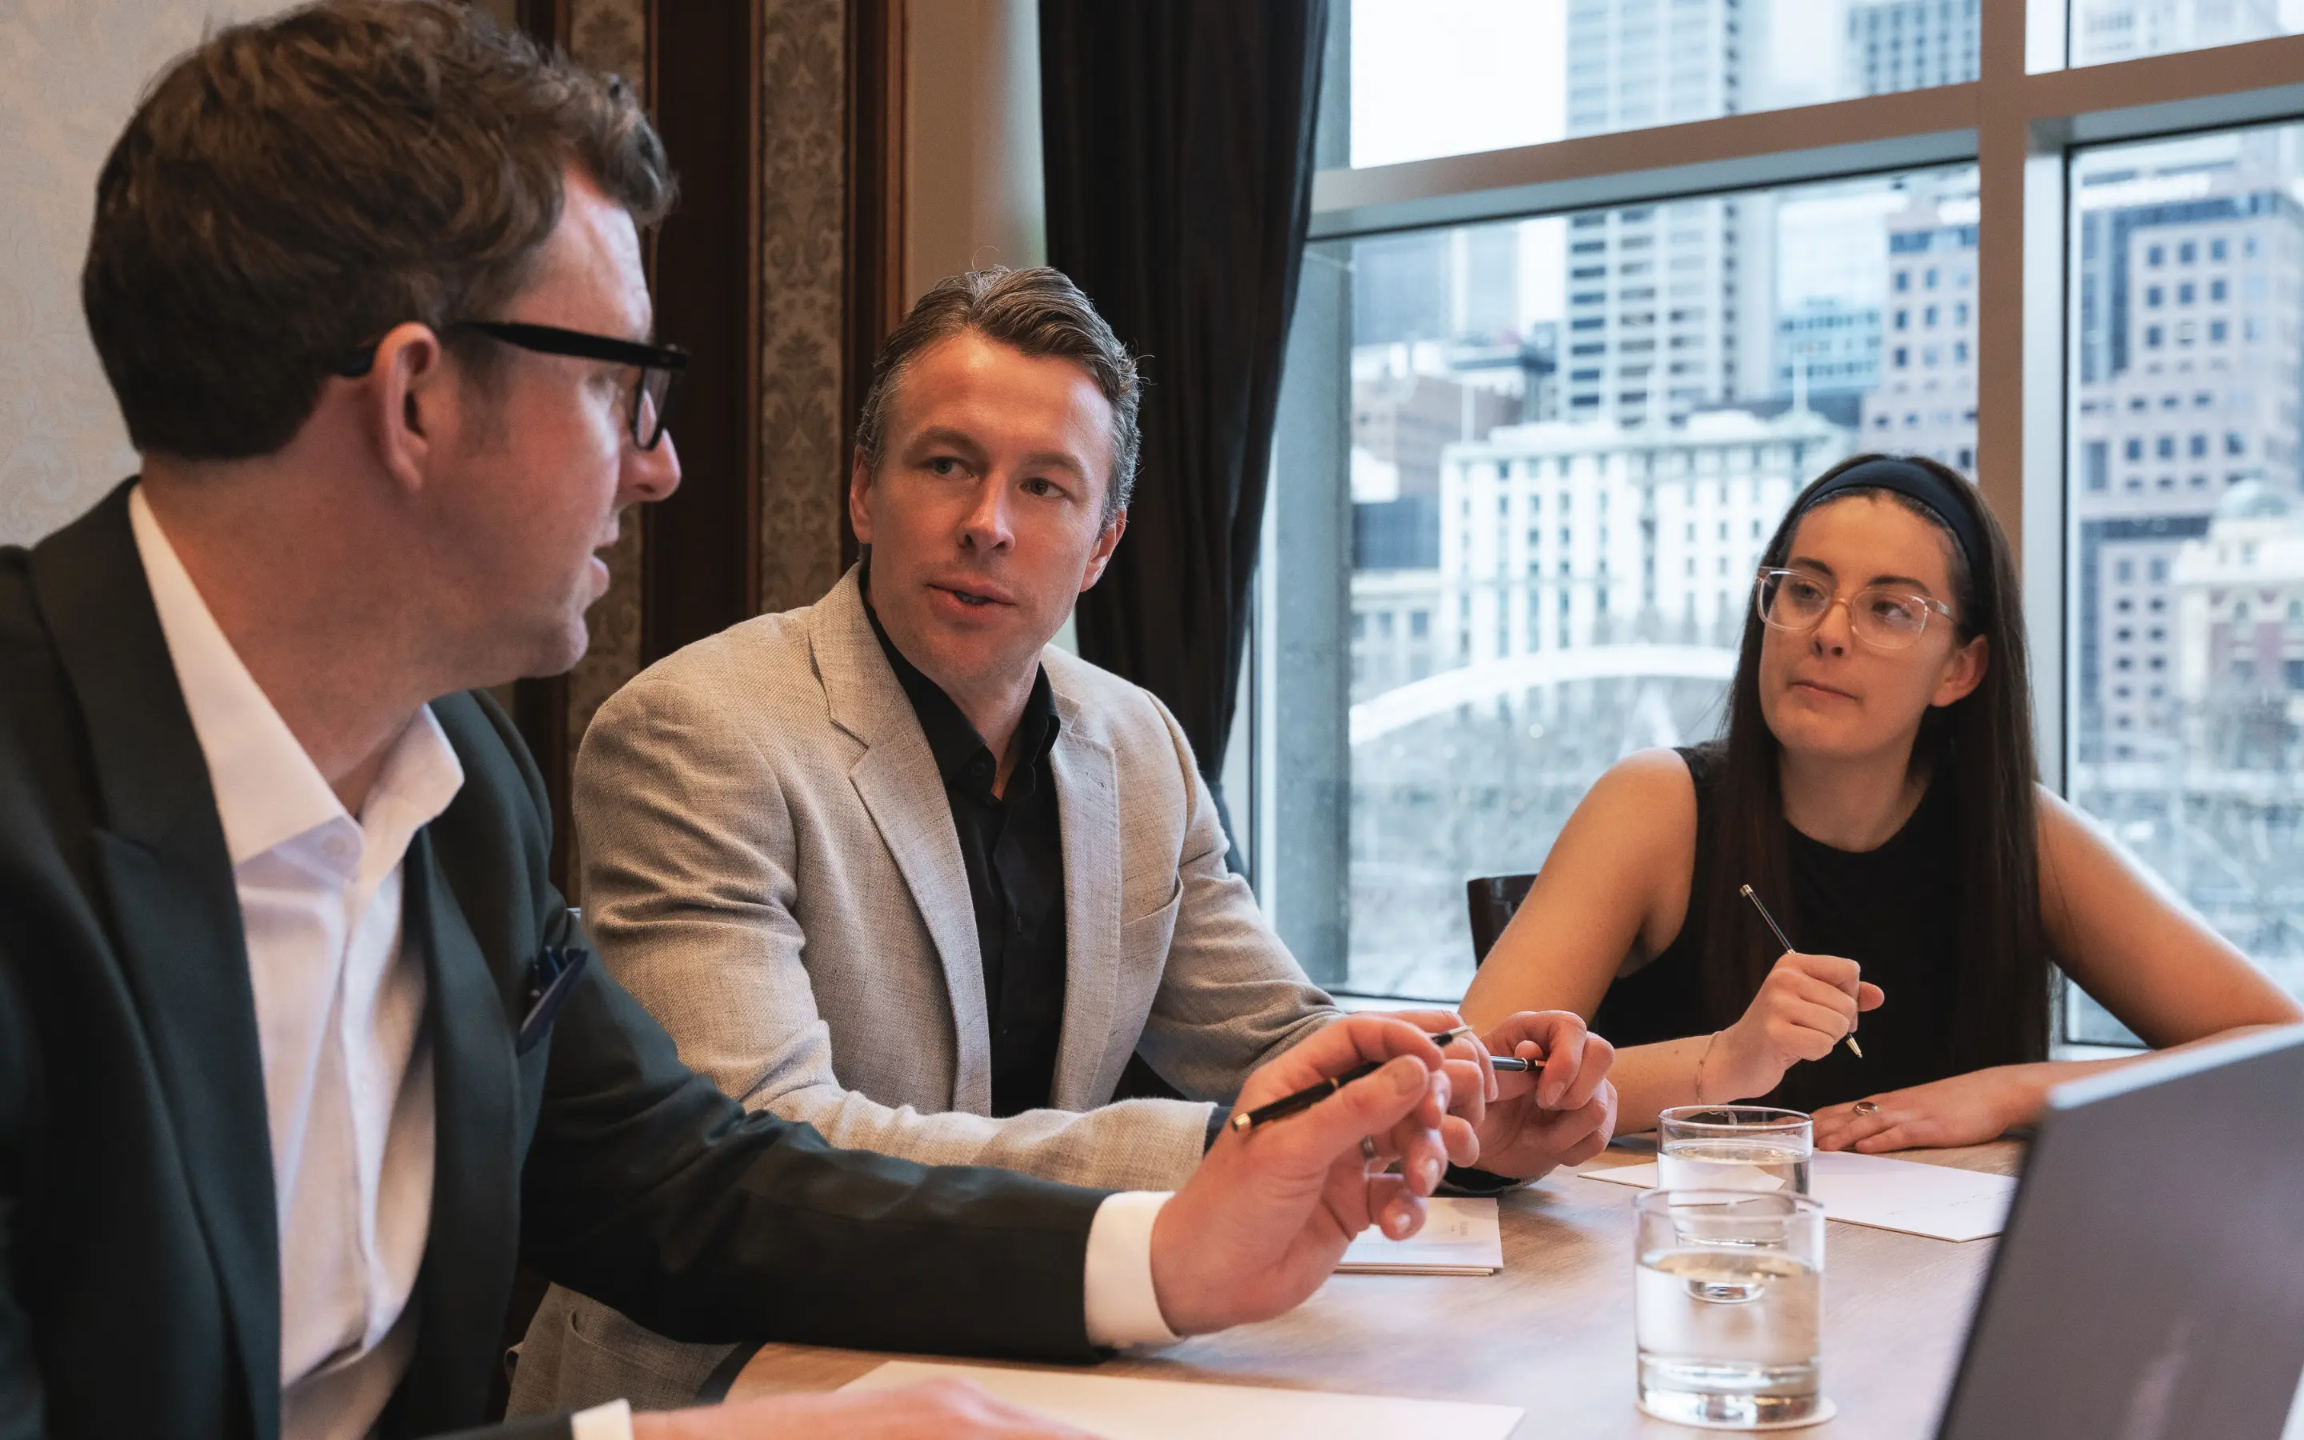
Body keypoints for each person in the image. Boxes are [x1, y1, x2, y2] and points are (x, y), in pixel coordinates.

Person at [0, 7, 1491, 1438]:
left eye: (1045, 487)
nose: (658, 470)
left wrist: (1160, 1261)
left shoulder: (459, 795)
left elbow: (692, 1179)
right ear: (416, 401)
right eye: (621, 385)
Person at [510, 266, 1620, 1414]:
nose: (987, 524)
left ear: (1101, 544)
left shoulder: (1139, 746)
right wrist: (1221, 1157)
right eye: (946, 466)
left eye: (1045, 487)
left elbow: (1277, 1040)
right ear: (861, 492)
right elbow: (772, 1145)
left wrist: (1461, 1105)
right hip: (747, 1386)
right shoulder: (696, 731)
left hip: (1047, 1365)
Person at [1459, 453, 2303, 1146]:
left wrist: (2008, 1096)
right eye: (1804, 590)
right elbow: (1463, 1087)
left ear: (1960, 669)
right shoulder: (1657, 804)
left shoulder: (2019, 836)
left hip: (1936, 1301)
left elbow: (2283, 1053)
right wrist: (1723, 1064)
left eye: (1889, 609)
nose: (1828, 631)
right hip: (1675, 1280)